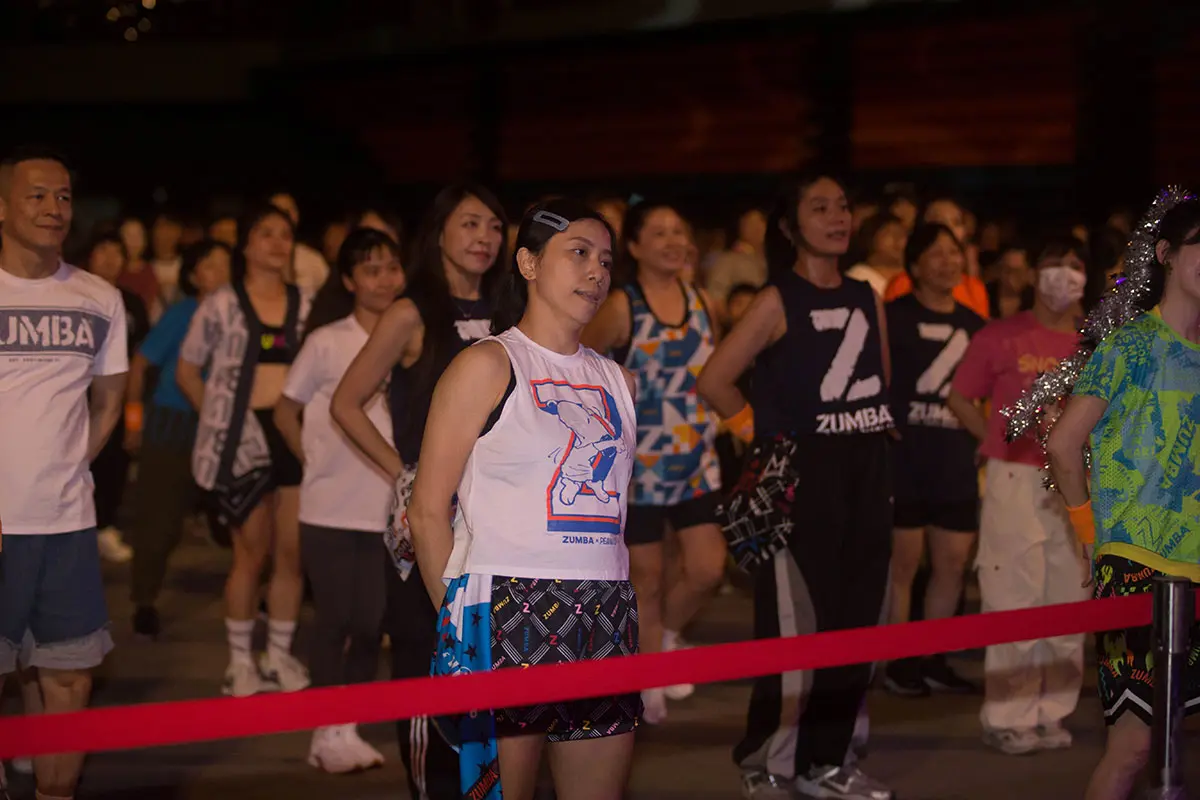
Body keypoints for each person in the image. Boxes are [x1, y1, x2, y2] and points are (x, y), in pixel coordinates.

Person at [411, 198, 639, 800]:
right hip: (507, 603)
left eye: (605, 261)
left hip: (606, 605)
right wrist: (456, 620)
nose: (596, 272)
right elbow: (427, 510)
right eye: (578, 253)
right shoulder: (488, 364)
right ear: (529, 263)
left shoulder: (619, 380)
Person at [698, 172, 894, 800]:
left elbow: (882, 386)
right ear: (789, 225)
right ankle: (768, 762)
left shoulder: (867, 295)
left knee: (858, 624)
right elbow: (715, 381)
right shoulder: (777, 298)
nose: (837, 217)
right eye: (820, 207)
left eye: (844, 206)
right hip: (802, 485)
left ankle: (828, 761)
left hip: (866, 474)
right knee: (796, 630)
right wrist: (765, 438)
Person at [331, 183, 506, 800]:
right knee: (429, 656)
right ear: (439, 233)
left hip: (499, 520)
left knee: (494, 658)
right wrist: (404, 471)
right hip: (432, 519)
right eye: (470, 223)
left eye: (494, 225)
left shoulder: (513, 312)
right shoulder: (411, 312)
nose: (484, 237)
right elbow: (346, 403)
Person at [1047, 198, 1200, 800]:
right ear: (1166, 255)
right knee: (1133, 748)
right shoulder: (1130, 346)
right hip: (1138, 565)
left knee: (1174, 747)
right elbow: (1064, 445)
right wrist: (1091, 536)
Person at [0, 145, 129, 800]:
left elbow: (108, 401)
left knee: (70, 677)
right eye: (37, 195)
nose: (54, 208)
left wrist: (68, 465)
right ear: (2, 207)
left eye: (64, 196)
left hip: (67, 525)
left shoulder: (100, 298)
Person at [946, 235, 1091, 755]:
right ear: (1033, 273)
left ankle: (1053, 710)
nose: (1064, 274)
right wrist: (994, 440)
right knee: (1013, 595)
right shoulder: (1001, 335)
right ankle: (1009, 715)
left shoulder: (1095, 342)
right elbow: (960, 396)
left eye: (1074, 265)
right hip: (1015, 478)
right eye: (1053, 262)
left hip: (1076, 481)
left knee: (1069, 596)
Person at [581, 200, 726, 724]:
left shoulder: (705, 301)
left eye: (679, 231)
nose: (672, 241)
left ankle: (663, 640)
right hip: (636, 466)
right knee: (647, 578)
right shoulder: (623, 305)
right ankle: (646, 677)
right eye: (659, 233)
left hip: (695, 460)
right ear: (635, 247)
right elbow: (580, 365)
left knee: (708, 568)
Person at [275, 228, 405, 773]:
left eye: (392, 267)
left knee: (372, 622)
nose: (384, 279)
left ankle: (345, 728)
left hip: (387, 505)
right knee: (334, 619)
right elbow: (285, 410)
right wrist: (312, 460)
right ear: (349, 280)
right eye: (370, 270)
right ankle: (325, 731)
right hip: (328, 505)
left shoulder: (410, 338)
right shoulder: (327, 341)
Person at [177, 203, 313, 697]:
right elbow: (187, 370)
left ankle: (278, 654)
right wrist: (217, 419)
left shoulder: (307, 301)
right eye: (266, 234)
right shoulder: (222, 303)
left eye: (285, 235)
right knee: (250, 554)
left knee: (291, 555)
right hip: (241, 439)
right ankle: (240, 661)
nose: (277, 243)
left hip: (292, 436)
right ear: (247, 245)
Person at [883, 223, 985, 696]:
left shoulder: (975, 325)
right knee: (903, 566)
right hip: (903, 460)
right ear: (915, 264)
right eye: (936, 254)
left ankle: (933, 658)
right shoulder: (892, 317)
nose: (948, 262)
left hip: (954, 460)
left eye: (953, 253)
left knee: (952, 564)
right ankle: (897, 661)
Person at [127, 239, 232, 638]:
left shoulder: (240, 314)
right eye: (211, 265)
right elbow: (141, 364)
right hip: (174, 424)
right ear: (193, 275)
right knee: (160, 521)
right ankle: (144, 601)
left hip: (224, 425)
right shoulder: (184, 313)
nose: (221, 272)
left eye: (226, 264)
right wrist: (133, 422)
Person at [84, 232, 151, 564]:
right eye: (103, 250)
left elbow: (141, 359)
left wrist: (135, 414)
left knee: (114, 463)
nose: (110, 258)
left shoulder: (132, 303)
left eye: (117, 252)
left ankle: (105, 527)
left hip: (118, 396)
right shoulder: (74, 295)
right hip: (76, 397)